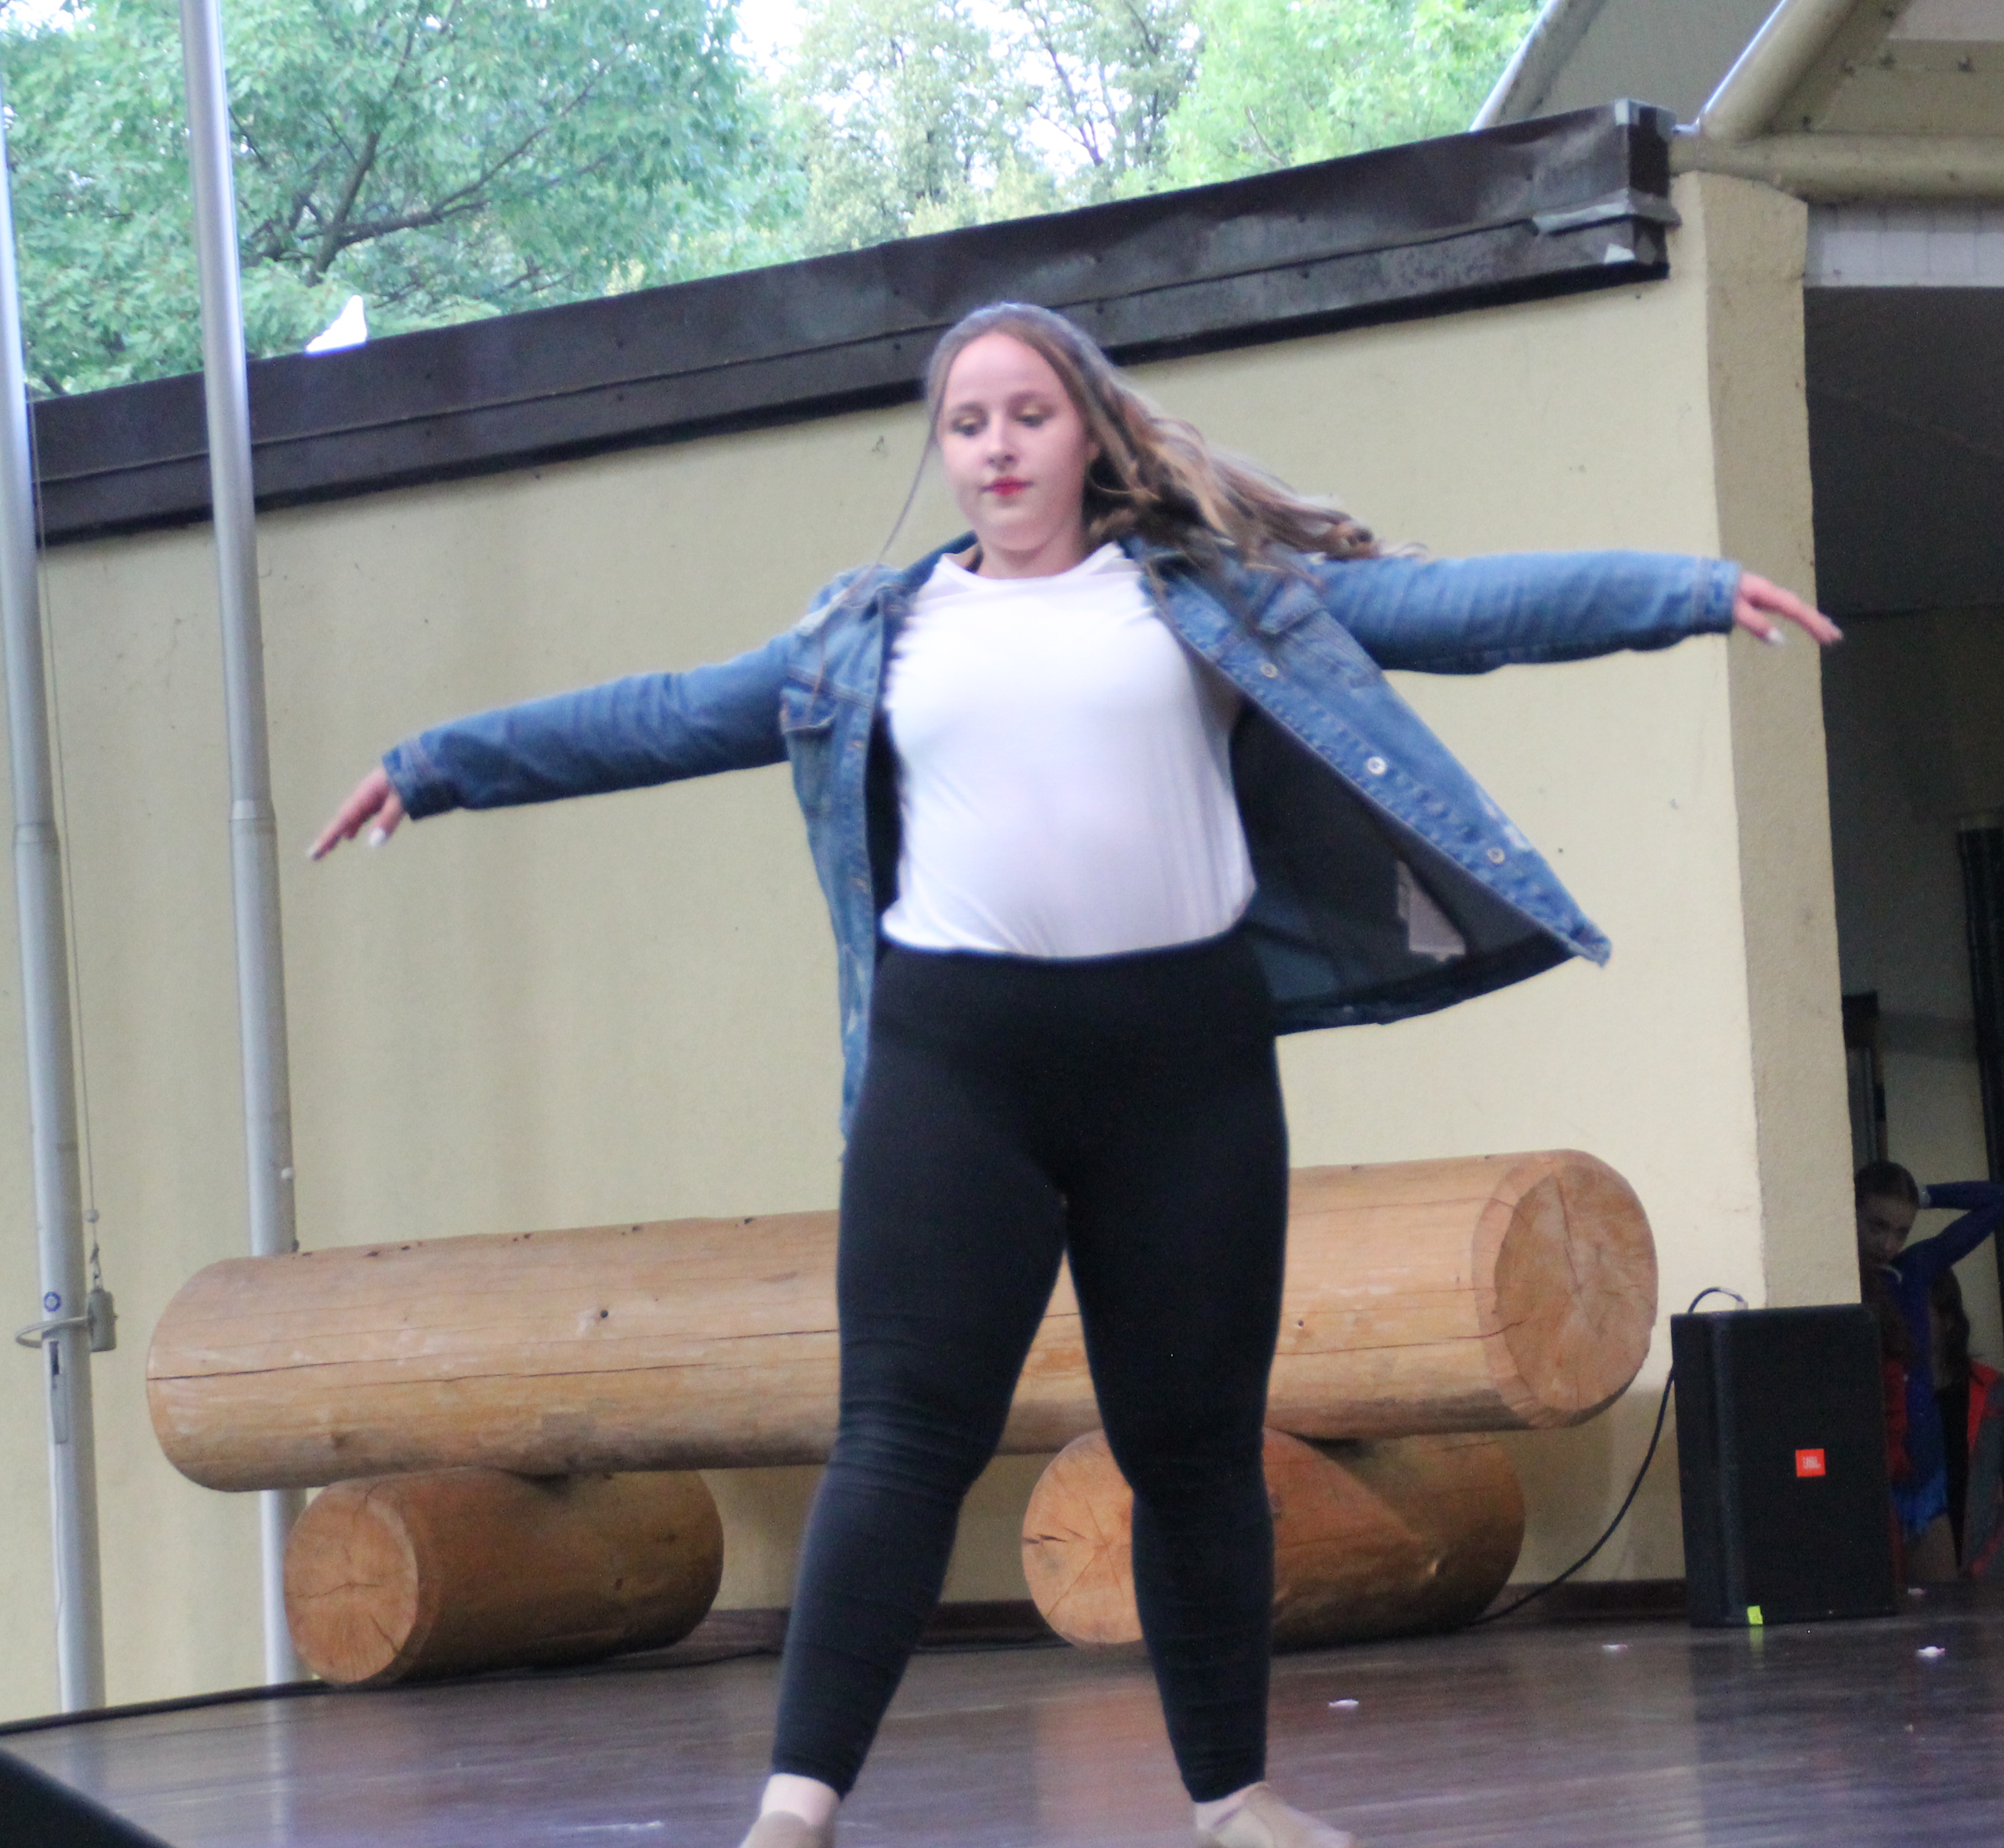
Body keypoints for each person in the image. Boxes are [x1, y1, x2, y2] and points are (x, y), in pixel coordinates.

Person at [308, 301, 1841, 1848]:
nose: (995, 446)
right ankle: (795, 1806)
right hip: (955, 1069)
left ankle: (1231, 1795)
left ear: (1090, 432)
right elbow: (660, 717)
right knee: (902, 1433)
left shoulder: (1211, 597)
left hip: (1183, 1068)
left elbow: (1453, 607)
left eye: (1026, 415)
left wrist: (1692, 591)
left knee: (1191, 1445)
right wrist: (437, 766)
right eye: (966, 423)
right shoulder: (874, 635)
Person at [1852, 1161, 2004, 1585]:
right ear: (1850, 1212)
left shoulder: (1914, 1268)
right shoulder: (1833, 1280)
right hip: (1867, 1464)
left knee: (1942, 1605)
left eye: (1901, 1231)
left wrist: (1924, 1195)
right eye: (1877, 1226)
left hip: (1923, 1463)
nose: (1888, 1243)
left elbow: (2002, 1199)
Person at [1928, 1269, 2004, 1579]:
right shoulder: (1894, 1395)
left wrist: (1988, 1564)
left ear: (1947, 1320)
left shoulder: (1991, 1389)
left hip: (1986, 1564)